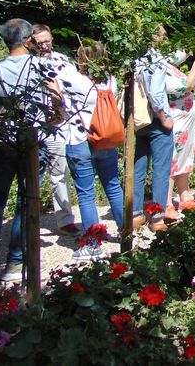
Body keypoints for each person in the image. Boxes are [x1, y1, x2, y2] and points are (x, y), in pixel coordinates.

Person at [0, 18, 64, 281]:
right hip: (32, 142)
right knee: (25, 203)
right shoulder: (44, 68)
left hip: (1, 141)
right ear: (29, 39)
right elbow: (59, 113)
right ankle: (16, 263)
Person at [66, 41, 125, 261]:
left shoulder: (76, 80)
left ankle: (93, 244)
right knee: (113, 186)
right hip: (107, 141)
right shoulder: (111, 80)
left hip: (81, 140)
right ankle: (124, 232)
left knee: (86, 194)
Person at [30, 24, 80, 236]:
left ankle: (65, 219)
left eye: (47, 40)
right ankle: (28, 220)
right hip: (34, 125)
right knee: (33, 176)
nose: (44, 45)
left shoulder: (63, 61)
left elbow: (76, 88)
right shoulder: (29, 64)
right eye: (39, 42)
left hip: (59, 126)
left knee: (60, 172)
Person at [132, 27, 176, 232]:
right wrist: (164, 117)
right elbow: (156, 91)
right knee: (161, 169)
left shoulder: (134, 58)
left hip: (138, 119)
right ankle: (157, 217)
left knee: (138, 167)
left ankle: (134, 214)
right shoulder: (155, 59)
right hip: (156, 119)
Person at [166, 50, 195, 213]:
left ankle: (184, 194)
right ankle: (166, 202)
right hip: (175, 120)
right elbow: (188, 85)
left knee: (186, 155)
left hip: (186, 121)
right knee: (173, 158)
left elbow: (183, 54)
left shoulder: (167, 62)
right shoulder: (158, 68)